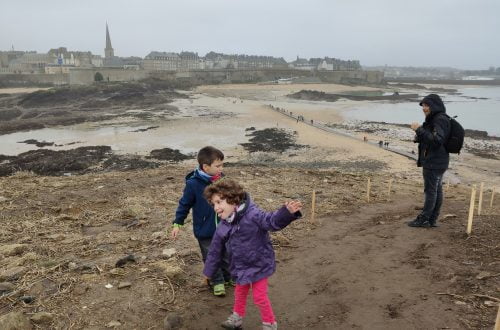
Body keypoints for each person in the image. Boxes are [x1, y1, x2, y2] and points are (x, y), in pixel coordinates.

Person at [203, 179, 302, 330]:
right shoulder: (224, 225)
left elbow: (271, 221)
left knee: (259, 297)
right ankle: (236, 319)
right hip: (239, 266)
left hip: (259, 264)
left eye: (219, 202)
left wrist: (286, 212)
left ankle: (270, 324)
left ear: (233, 198)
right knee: (239, 293)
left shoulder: (253, 214)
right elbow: (215, 250)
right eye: (213, 204)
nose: (216, 207)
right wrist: (208, 272)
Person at [171, 146, 231, 296]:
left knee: (226, 253)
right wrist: (178, 222)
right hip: (204, 230)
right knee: (211, 255)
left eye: (221, 165)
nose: (221, 168)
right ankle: (217, 282)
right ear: (205, 166)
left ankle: (228, 277)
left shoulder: (222, 179)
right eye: (217, 166)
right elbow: (184, 204)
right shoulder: (193, 184)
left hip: (224, 226)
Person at [408, 94, 450, 228]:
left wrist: (419, 129)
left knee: (431, 191)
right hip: (438, 160)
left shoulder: (439, 119)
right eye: (423, 106)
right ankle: (431, 220)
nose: (424, 108)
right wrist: (419, 136)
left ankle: (424, 219)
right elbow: (433, 138)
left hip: (434, 161)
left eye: (426, 105)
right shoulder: (436, 119)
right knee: (436, 190)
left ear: (434, 105)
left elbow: (437, 141)